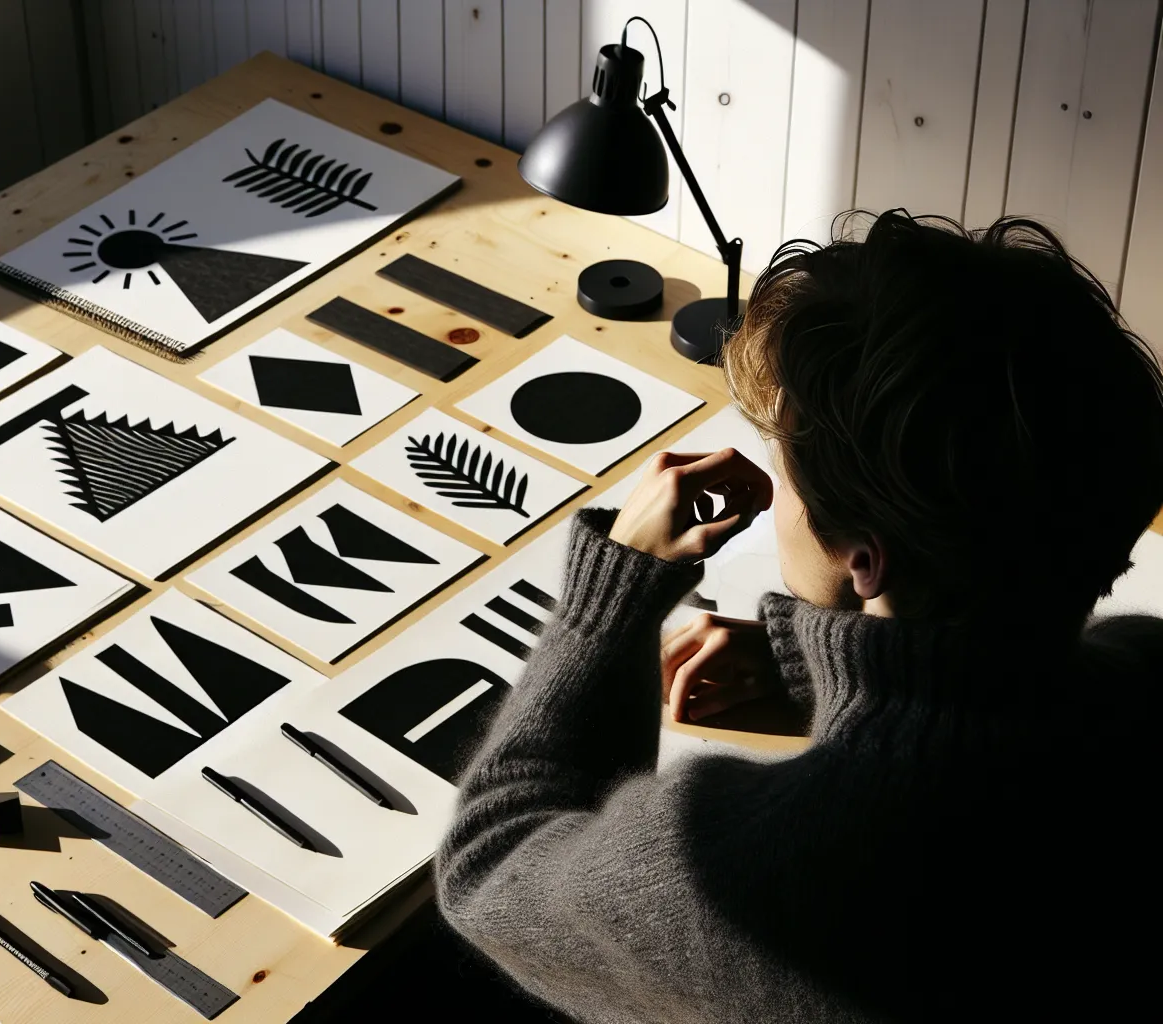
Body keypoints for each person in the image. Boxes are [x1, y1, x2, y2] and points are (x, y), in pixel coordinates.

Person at [435, 211, 1163, 1022]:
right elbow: (1011, 698)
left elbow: (491, 869)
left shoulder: (742, 869)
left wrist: (612, 600)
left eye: (785, 465)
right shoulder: (1141, 686)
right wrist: (829, 677)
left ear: (866, 558)